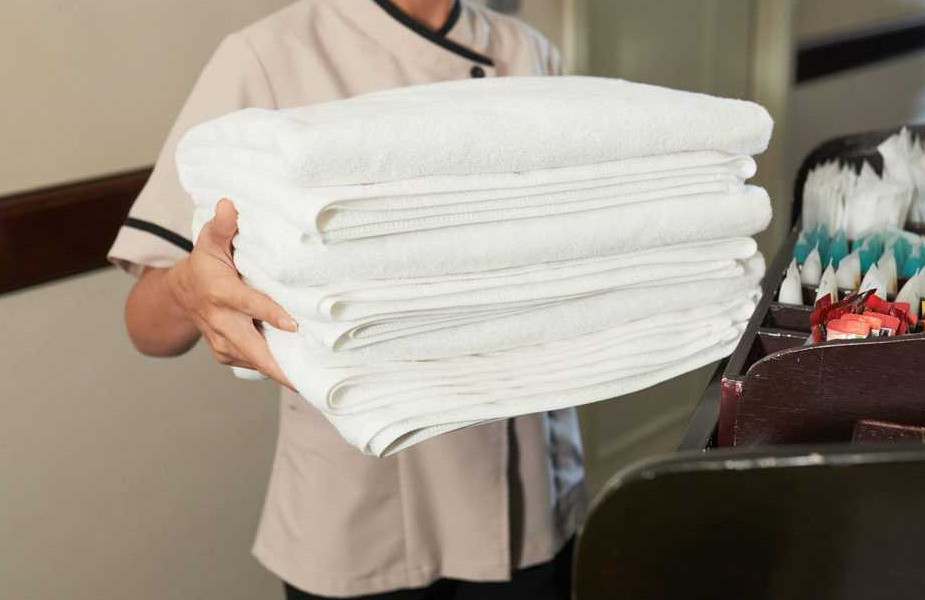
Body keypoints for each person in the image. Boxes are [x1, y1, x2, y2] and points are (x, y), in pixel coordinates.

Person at [106, 1, 586, 598]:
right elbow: (146, 327)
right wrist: (189, 286)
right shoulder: (268, 55)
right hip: (365, 509)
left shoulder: (528, 50)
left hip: (530, 488)